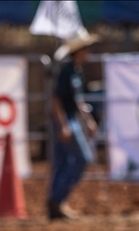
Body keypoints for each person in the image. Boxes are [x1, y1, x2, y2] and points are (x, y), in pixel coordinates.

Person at [48, 28, 99, 220]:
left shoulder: (75, 71)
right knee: (82, 158)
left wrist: (88, 120)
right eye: (86, 48)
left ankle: (56, 202)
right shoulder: (67, 71)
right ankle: (57, 199)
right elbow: (56, 100)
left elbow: (77, 101)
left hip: (70, 120)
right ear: (79, 51)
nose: (88, 52)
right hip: (66, 120)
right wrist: (63, 125)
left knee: (63, 163)